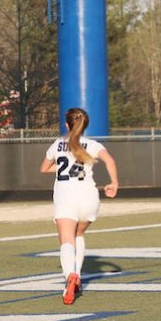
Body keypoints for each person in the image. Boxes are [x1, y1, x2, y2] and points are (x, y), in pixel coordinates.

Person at [40, 107, 118, 305]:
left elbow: (44, 168)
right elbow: (109, 160)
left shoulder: (57, 144)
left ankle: (70, 277)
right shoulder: (92, 144)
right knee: (78, 235)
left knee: (67, 240)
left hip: (67, 196)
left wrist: (62, 166)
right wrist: (114, 183)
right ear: (85, 126)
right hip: (89, 196)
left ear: (67, 125)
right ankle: (78, 276)